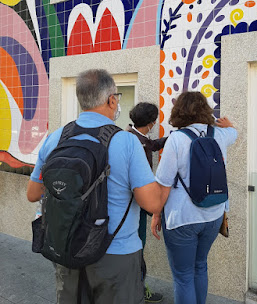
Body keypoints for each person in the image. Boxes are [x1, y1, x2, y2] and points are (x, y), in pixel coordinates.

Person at [27, 69, 163, 304]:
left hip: (66, 248)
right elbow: (151, 203)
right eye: (116, 98)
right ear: (111, 100)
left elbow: (33, 193)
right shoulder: (126, 141)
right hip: (116, 253)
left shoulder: (56, 138)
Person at [150, 91, 237, 304]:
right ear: (205, 111)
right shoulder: (219, 135)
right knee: (200, 266)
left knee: (183, 277)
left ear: (179, 111)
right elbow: (235, 133)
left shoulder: (176, 139)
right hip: (214, 215)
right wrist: (229, 124)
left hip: (183, 218)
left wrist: (156, 214)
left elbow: (163, 184)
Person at [127, 102, 167, 303]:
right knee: (138, 246)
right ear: (151, 123)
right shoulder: (136, 142)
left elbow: (153, 145)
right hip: (137, 204)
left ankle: (136, 287)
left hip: (133, 203)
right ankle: (138, 289)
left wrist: (171, 138)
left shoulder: (133, 135)